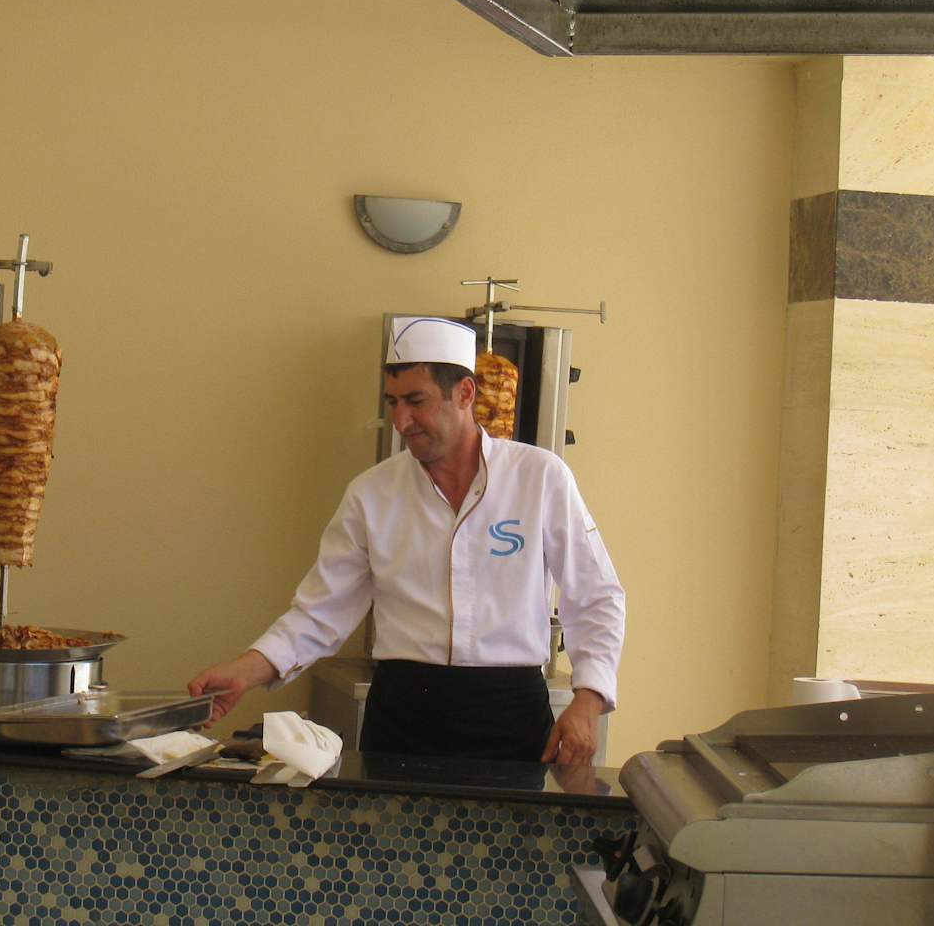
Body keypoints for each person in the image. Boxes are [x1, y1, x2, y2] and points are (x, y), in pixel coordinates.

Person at [188, 316, 625, 765]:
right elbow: (319, 614)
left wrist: (588, 699)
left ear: (465, 393)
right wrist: (244, 672)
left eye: (416, 401)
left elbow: (597, 595)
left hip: (511, 716)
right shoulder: (371, 494)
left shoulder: (540, 477)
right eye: (393, 402)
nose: (401, 420)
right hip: (403, 716)